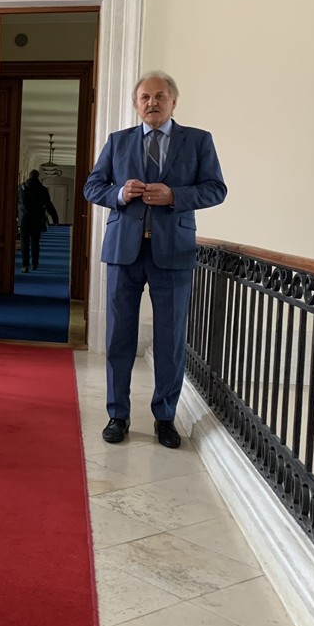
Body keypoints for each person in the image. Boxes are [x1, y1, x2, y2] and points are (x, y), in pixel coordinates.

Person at [83, 71, 226, 449]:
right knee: (119, 337)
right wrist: (119, 193)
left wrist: (174, 195)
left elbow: (216, 189)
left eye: (160, 96)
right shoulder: (118, 141)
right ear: (136, 104)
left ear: (174, 101)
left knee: (170, 339)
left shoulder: (198, 140)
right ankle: (118, 415)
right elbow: (92, 187)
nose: (152, 103)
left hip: (173, 253)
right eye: (145, 97)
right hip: (123, 253)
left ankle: (165, 417)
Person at [17, 169, 59, 273]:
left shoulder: (21, 188)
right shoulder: (42, 189)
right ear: (38, 177)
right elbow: (48, 204)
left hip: (24, 220)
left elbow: (16, 203)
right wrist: (55, 219)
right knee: (35, 242)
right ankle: (35, 263)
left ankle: (25, 265)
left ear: (29, 176)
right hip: (37, 219)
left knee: (24, 243)